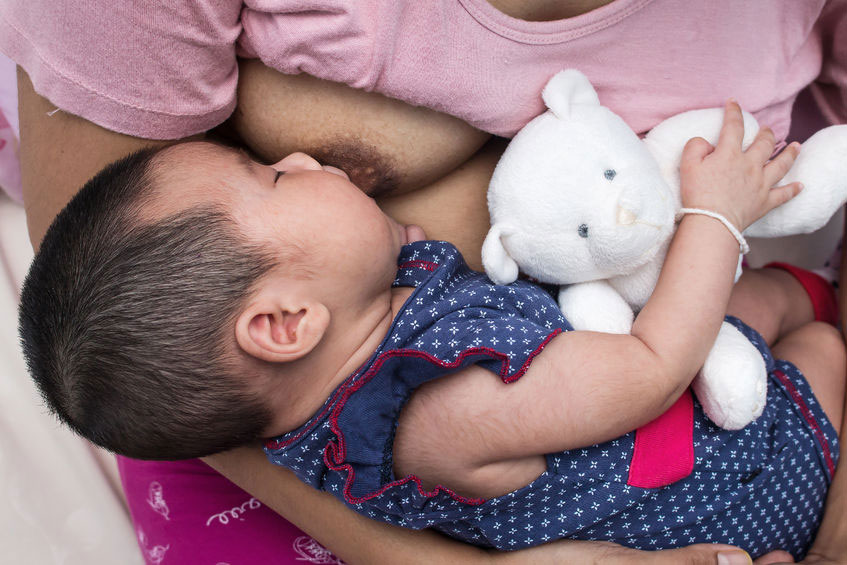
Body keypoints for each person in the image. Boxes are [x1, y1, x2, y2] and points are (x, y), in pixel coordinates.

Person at [3, 0, 846, 563]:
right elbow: (649, 368)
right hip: (721, 463)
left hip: (648, 370)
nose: (294, 161)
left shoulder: (357, 346)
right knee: (812, 340)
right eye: (275, 179)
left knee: (789, 314)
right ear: (284, 321)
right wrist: (715, 219)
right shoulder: (435, 406)